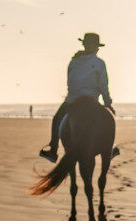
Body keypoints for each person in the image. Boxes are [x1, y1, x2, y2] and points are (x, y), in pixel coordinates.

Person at [39, 33, 115, 161]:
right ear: (95, 47)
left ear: (84, 45)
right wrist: (107, 103)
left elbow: (70, 83)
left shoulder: (73, 62)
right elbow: (103, 85)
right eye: (96, 46)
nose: (96, 49)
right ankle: (110, 148)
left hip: (73, 100)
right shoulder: (99, 63)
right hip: (92, 100)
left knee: (57, 119)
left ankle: (53, 149)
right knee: (109, 120)